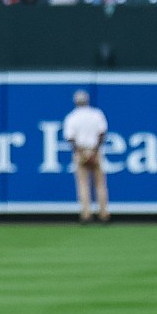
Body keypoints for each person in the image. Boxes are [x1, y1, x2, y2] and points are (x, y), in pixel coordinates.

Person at [62, 89, 108, 223]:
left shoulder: (72, 117)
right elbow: (102, 133)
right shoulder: (96, 114)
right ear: (87, 100)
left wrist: (81, 153)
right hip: (95, 150)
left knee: (83, 184)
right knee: (100, 184)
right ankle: (103, 214)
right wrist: (94, 152)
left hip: (80, 150)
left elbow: (70, 138)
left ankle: (86, 215)